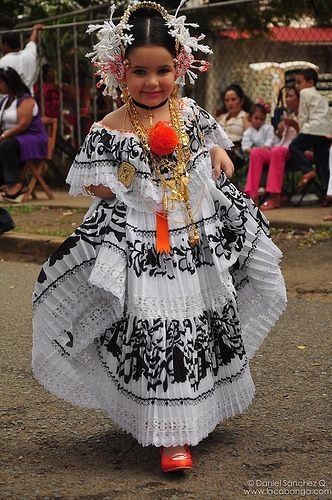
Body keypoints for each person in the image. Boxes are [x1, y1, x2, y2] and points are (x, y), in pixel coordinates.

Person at [31, 2, 286, 473]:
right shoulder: (108, 129)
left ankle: (193, 416)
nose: (153, 82)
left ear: (180, 65)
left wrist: (216, 155)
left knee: (198, 325)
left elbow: (214, 149)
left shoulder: (190, 112)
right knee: (156, 331)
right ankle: (171, 434)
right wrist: (123, 173)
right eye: (140, 72)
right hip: (141, 247)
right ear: (119, 71)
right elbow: (98, 187)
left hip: (195, 239)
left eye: (163, 70)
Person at [244, 86, 300, 209]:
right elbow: (279, 137)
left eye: (290, 96)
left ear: (299, 98)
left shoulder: (303, 112)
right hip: (279, 147)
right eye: (286, 96)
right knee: (256, 152)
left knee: (276, 151)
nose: (287, 99)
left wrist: (295, 125)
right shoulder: (285, 113)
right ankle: (252, 195)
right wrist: (280, 130)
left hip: (296, 149)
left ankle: (274, 197)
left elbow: (304, 135)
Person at [0, 67, 48, 201]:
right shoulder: (4, 101)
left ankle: (16, 183)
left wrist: (4, 135)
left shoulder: (26, 100)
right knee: (5, 144)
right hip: (13, 139)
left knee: (5, 145)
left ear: (10, 83)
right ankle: (4, 182)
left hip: (32, 138)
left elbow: (24, 125)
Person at [289, 68, 332, 198]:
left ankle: (307, 170)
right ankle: (327, 192)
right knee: (322, 161)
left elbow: (303, 115)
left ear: (310, 82)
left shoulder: (305, 92)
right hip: (325, 131)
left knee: (294, 146)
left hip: (313, 128)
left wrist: (302, 130)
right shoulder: (319, 96)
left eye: (299, 82)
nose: (297, 86)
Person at [0, 24, 43, 94]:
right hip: (28, 99)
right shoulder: (29, 55)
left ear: (5, 45)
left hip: (10, 100)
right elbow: (32, 41)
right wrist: (35, 30)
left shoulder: (3, 62)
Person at [217, 83, 252, 170]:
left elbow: (251, 137)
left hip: (236, 153)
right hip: (218, 149)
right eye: (227, 100)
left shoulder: (245, 117)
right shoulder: (221, 118)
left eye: (233, 99)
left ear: (242, 101)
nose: (230, 103)